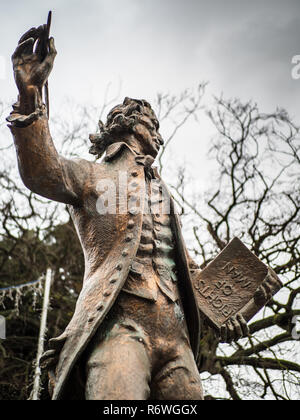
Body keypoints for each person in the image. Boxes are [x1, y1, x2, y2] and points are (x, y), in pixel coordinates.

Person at [8, 25, 255, 400]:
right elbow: (43, 171)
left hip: (177, 340)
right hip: (119, 328)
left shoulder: (162, 191)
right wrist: (30, 96)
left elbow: (185, 269)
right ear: (128, 122)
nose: (158, 134)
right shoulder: (93, 175)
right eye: (151, 124)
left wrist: (223, 313)